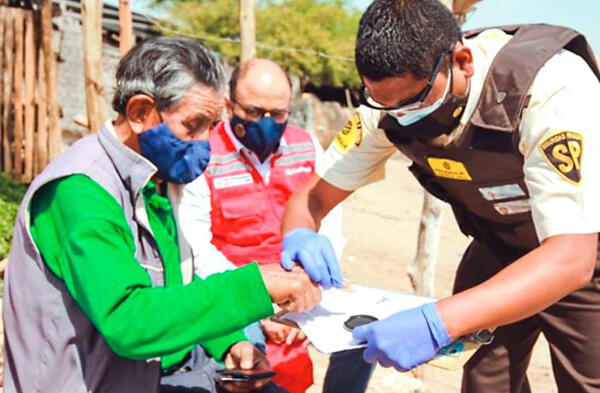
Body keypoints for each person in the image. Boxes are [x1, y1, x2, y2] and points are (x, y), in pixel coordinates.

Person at [280, 0, 600, 392]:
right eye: (385, 103)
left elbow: (572, 258)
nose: (400, 115)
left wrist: (438, 321)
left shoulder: (550, 85)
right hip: (499, 244)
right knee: (485, 380)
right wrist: (300, 236)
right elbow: (311, 199)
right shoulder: (386, 103)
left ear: (461, 61)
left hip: (586, 251)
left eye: (415, 101)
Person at [3, 37, 321, 393]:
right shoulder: (80, 191)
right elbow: (129, 321)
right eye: (193, 125)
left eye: (212, 127)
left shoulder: (154, 178)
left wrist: (229, 343)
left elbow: (176, 280)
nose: (205, 143)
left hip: (149, 373)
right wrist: (254, 285)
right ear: (140, 113)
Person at [172, 58, 374, 393]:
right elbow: (197, 250)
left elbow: (330, 226)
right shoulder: (204, 155)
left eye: (278, 114)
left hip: (303, 285)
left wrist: (309, 289)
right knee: (248, 359)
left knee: (364, 331)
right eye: (253, 111)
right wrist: (260, 301)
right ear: (229, 105)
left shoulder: (305, 145)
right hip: (236, 290)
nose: (266, 122)